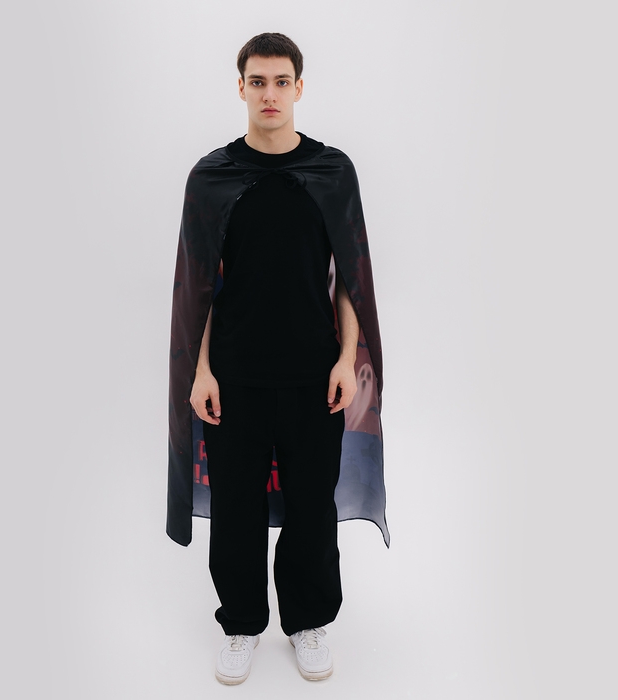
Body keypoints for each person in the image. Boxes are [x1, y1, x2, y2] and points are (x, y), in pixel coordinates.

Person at [166, 32, 387, 685]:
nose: (269, 93)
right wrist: (202, 371)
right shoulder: (212, 178)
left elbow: (351, 278)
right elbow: (198, 287)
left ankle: (307, 621)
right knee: (235, 506)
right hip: (233, 377)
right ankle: (240, 624)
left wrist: (346, 359)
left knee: (313, 505)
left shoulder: (331, 172)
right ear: (241, 87)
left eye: (280, 81)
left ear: (298, 87)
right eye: (257, 81)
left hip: (315, 375)